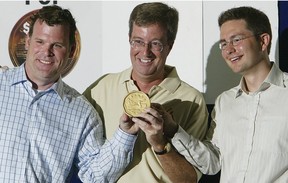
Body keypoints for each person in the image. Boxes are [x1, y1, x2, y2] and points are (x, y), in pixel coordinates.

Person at [0, 5, 138, 182]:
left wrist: (126, 135)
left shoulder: (83, 114)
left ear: (71, 51)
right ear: (28, 42)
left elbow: (94, 176)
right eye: (40, 42)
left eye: (57, 45)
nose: (46, 52)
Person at [158, 6, 288, 183]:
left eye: (236, 40)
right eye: (224, 43)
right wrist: (173, 130)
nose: (228, 50)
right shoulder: (224, 102)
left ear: (263, 41)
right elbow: (213, 163)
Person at [83, 2, 209, 183]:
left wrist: (161, 145)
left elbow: (189, 180)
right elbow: (86, 166)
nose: (145, 52)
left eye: (155, 44)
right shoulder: (100, 88)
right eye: (138, 42)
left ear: (169, 46)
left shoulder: (192, 100)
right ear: (129, 39)